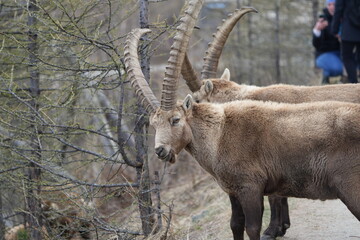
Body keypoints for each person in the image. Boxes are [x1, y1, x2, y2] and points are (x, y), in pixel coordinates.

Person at [312, 0, 343, 84]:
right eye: (329, 4)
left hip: (343, 53)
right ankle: (325, 79)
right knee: (337, 68)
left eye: (334, 4)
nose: (332, 7)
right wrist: (317, 30)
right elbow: (316, 45)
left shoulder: (345, 18)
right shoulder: (323, 20)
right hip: (325, 54)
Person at [331, 0, 360, 83]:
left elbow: (338, 11)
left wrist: (334, 29)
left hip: (348, 31)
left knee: (347, 57)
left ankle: (354, 83)